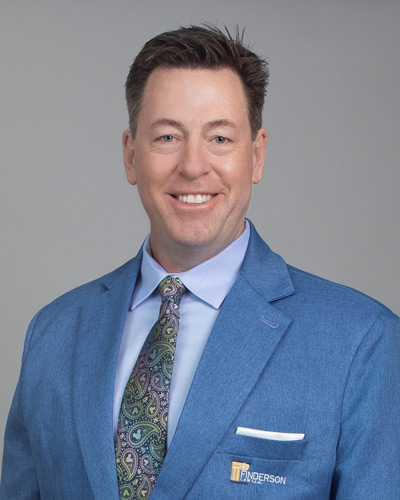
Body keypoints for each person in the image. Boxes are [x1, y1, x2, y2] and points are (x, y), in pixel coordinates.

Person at [1, 24, 399, 500]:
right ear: (131, 155)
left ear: (256, 155)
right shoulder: (53, 332)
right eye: (168, 137)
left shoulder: (361, 342)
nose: (193, 165)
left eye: (220, 138)